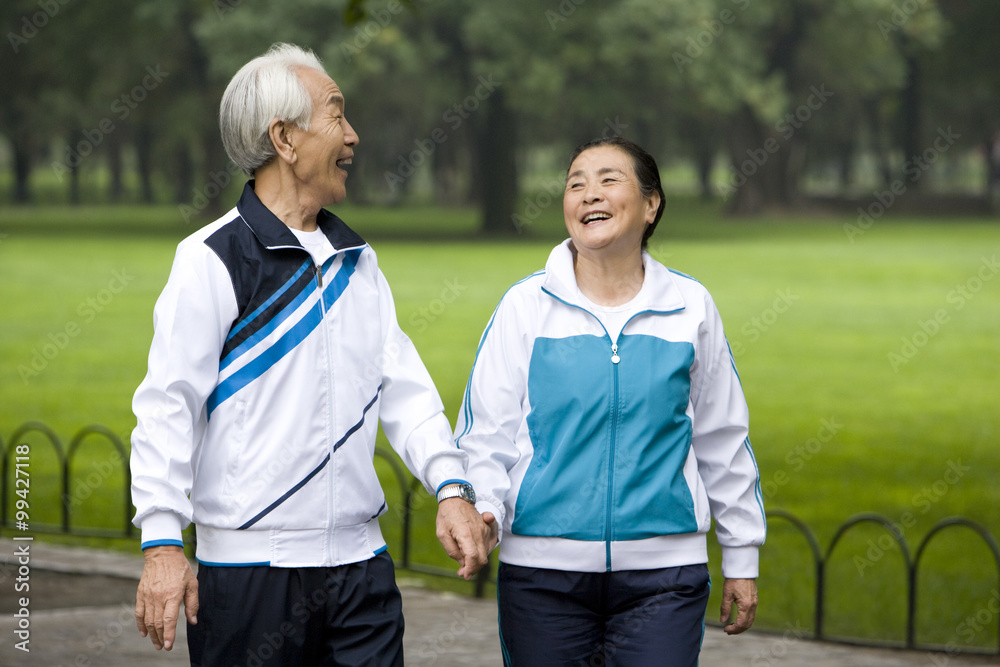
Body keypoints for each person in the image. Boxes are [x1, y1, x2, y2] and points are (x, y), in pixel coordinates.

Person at [129, 43, 493, 666]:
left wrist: (452, 487)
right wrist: (162, 541)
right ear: (285, 138)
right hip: (249, 576)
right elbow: (170, 405)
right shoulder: (211, 259)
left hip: (362, 571)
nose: (352, 135)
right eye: (336, 114)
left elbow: (403, 389)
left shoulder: (357, 262)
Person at [454, 136, 766, 665]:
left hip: (665, 578)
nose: (588, 194)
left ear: (651, 204)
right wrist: (484, 508)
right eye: (576, 184)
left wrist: (741, 555)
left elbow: (722, 437)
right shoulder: (525, 306)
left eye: (608, 180)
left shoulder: (690, 307)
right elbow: (487, 432)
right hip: (542, 577)